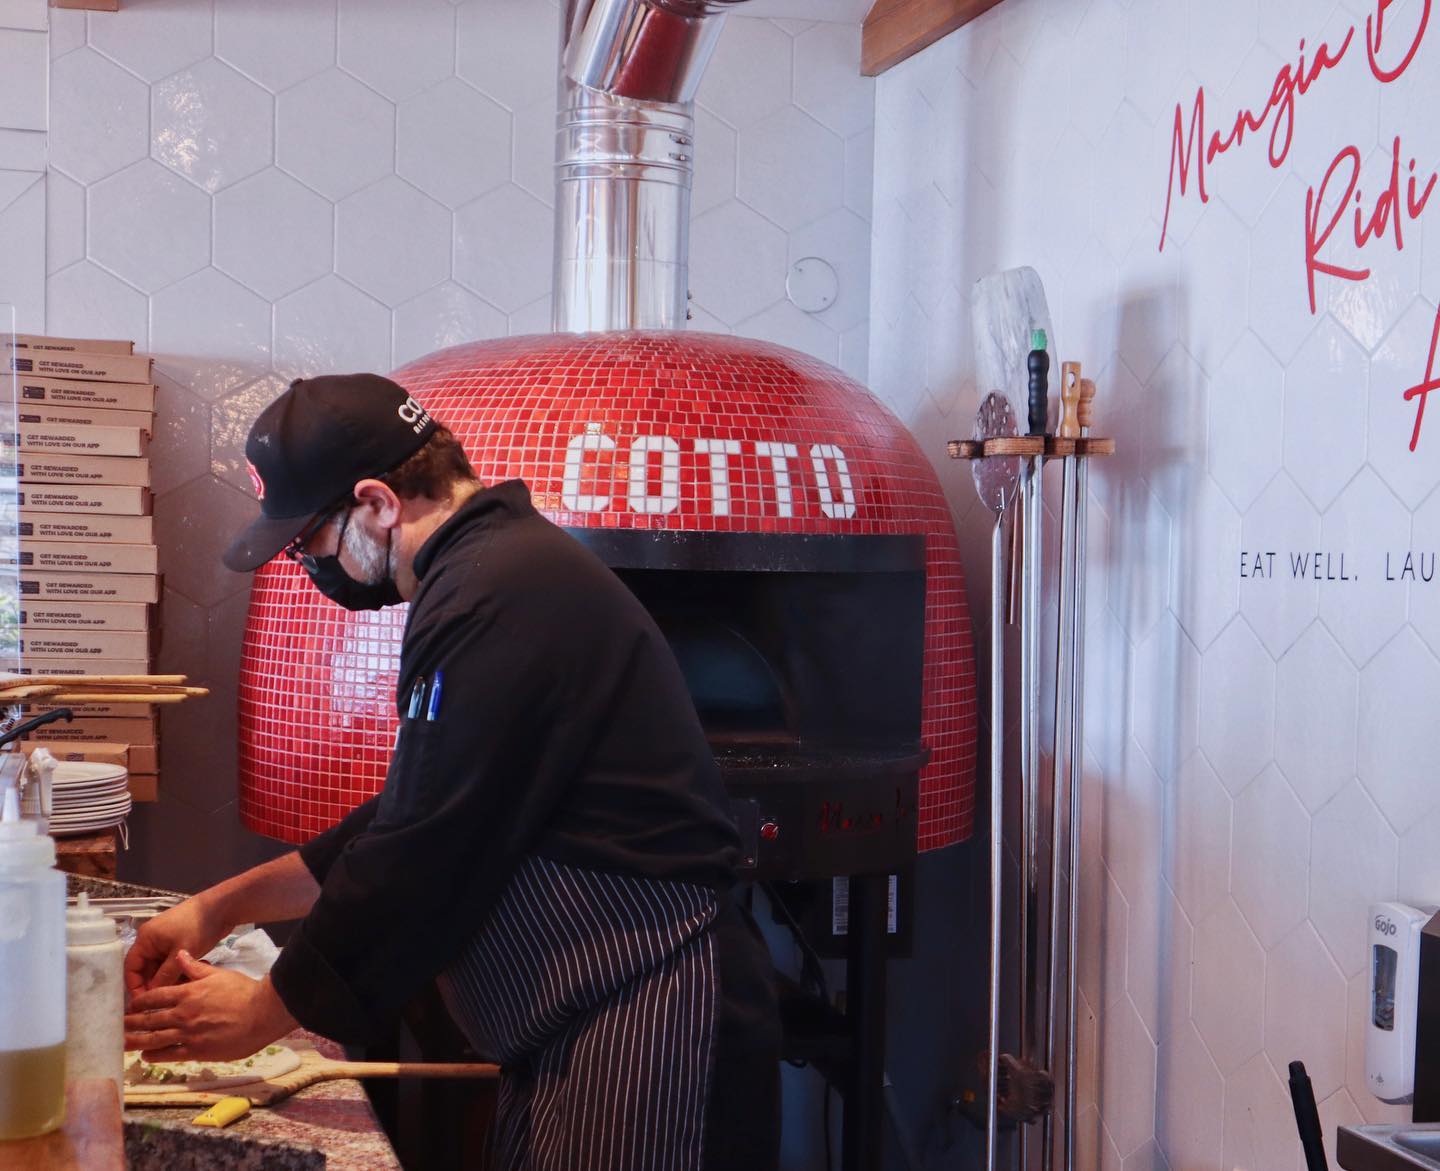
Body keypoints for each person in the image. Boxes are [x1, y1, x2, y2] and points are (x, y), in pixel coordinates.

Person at [122, 373, 781, 1170]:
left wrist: (265, 1008)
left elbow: (421, 846)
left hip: (653, 1010)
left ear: (377, 503)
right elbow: (413, 810)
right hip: (592, 1017)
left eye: (310, 541)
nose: (308, 564)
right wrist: (217, 908)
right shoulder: (491, 571)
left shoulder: (491, 591)